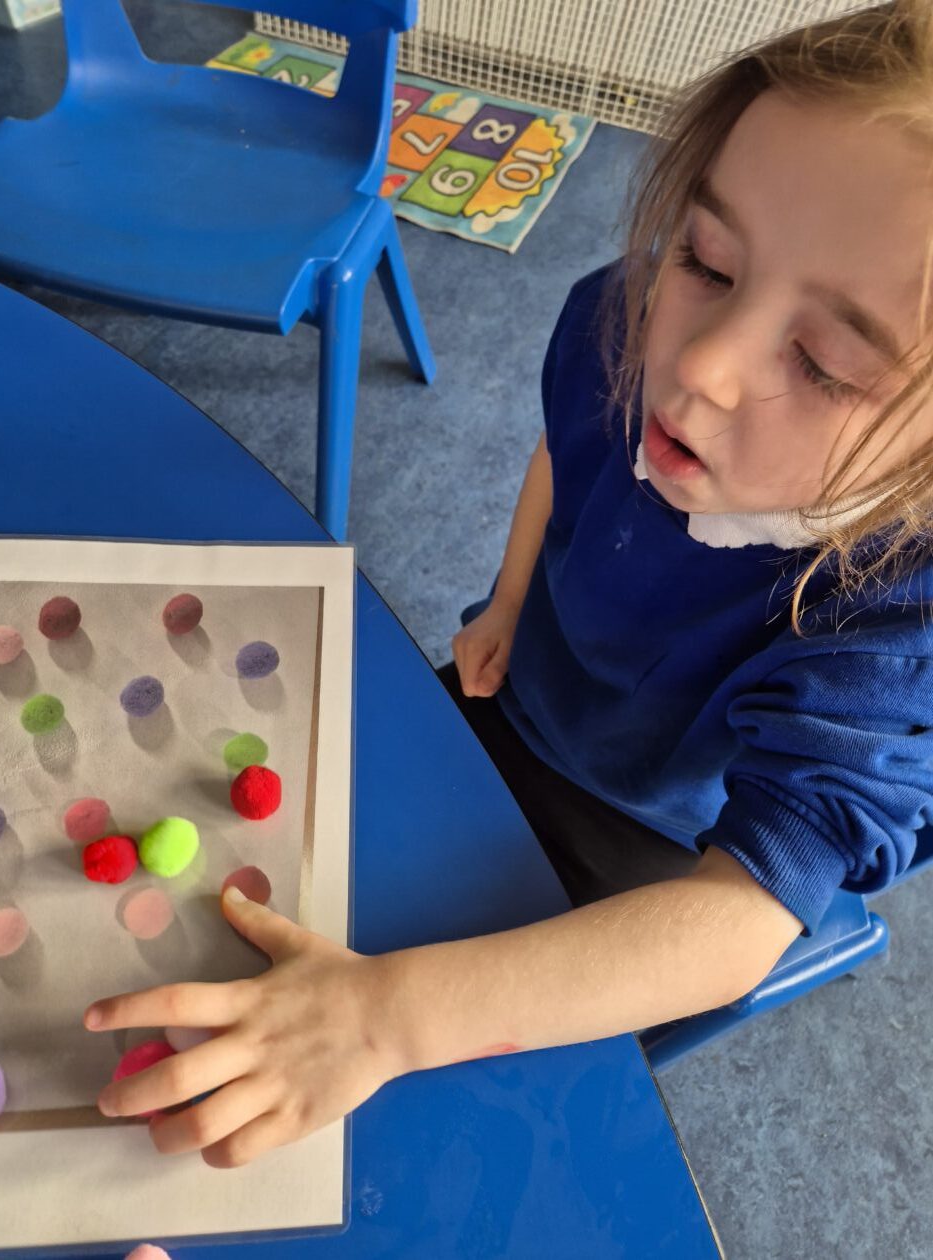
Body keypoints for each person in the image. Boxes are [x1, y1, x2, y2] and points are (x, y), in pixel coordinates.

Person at [85, 0, 933, 1169]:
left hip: (658, 836)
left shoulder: (898, 615)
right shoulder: (626, 323)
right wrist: (508, 599)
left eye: (826, 365)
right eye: (707, 258)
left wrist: (384, 1020)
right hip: (521, 693)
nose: (700, 365)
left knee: (457, 1123)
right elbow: (563, 455)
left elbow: (740, 916)